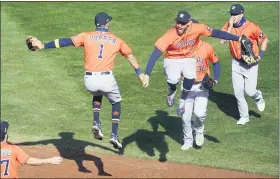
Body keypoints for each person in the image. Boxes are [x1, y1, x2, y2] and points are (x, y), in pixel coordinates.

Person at [27, 12, 144, 149]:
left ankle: (96, 122)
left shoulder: (86, 36)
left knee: (97, 92)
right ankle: (114, 134)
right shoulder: (116, 39)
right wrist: (140, 74)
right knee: (116, 102)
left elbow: (65, 41)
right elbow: (130, 56)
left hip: (89, 80)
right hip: (107, 79)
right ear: (106, 24)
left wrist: (43, 45)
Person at [142, 10, 243, 110]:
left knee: (190, 75)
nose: (179, 25)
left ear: (189, 23)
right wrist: (147, 74)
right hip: (172, 59)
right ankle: (171, 92)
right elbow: (155, 54)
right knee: (173, 79)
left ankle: (182, 100)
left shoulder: (197, 28)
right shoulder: (170, 35)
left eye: (183, 23)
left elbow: (216, 33)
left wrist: (238, 38)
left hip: (188, 58)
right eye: (178, 22)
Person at [220, 4, 268, 125]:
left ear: (242, 14)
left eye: (235, 15)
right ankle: (244, 116)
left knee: (250, 91)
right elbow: (222, 41)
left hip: (250, 64)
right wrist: (230, 26)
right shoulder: (228, 24)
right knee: (238, 93)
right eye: (231, 14)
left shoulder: (252, 27)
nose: (233, 17)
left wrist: (260, 56)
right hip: (236, 63)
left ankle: (258, 97)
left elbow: (264, 39)